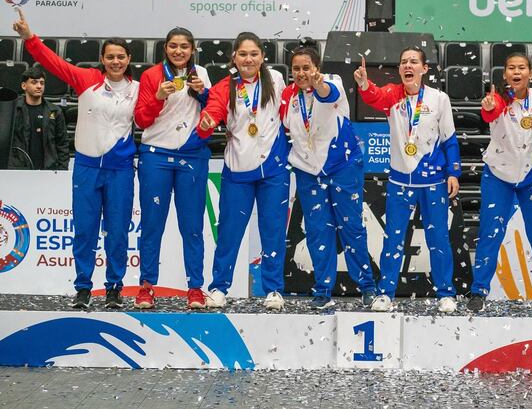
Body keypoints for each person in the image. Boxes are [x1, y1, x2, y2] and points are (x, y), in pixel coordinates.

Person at [12, 11, 136, 310]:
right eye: (110, 56)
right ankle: (83, 288)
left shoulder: (138, 88)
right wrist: (30, 38)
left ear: (129, 59)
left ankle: (115, 288)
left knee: (118, 231)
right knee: (85, 229)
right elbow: (55, 63)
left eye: (121, 56)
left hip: (119, 169)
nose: (116, 61)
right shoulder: (86, 80)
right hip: (87, 167)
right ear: (102, 59)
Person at [354, 48, 461, 313]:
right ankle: (385, 293)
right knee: (393, 239)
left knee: (438, 239)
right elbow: (373, 97)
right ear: (400, 69)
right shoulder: (392, 95)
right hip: (401, 181)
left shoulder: (439, 98)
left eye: (414, 61)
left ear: (425, 69)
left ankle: (446, 293)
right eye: (403, 62)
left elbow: (449, 139)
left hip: (434, 181)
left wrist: (453, 173)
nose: (408, 66)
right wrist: (364, 84)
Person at [467, 53, 532, 313]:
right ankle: (479, 291)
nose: (516, 72)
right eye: (511, 67)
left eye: (522, 68)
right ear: (504, 75)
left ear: (530, 73)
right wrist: (488, 106)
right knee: (490, 233)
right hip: (499, 175)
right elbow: (489, 114)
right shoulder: (499, 97)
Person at [197, 32, 289, 311]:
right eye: (243, 54)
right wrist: (207, 122)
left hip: (273, 169)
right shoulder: (224, 87)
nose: (248, 59)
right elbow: (209, 116)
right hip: (238, 169)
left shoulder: (275, 79)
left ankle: (272, 289)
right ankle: (219, 288)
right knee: (229, 232)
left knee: (272, 230)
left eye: (254, 54)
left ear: (262, 56)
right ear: (233, 57)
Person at [279, 44, 376, 309]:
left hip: (342, 167)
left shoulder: (332, 82)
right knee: (317, 231)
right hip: (308, 171)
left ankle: (366, 286)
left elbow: (326, 94)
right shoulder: (288, 96)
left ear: (317, 68)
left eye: (306, 68)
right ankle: (322, 289)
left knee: (352, 227)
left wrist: (318, 83)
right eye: (296, 69)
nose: (302, 74)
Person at [133, 27, 211, 310]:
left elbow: (213, 111)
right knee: (153, 225)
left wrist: (202, 94)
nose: (179, 51)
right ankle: (146, 287)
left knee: (192, 227)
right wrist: (157, 97)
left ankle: (195, 288)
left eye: (185, 47)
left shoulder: (200, 74)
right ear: (165, 48)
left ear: (192, 50)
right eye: (174, 46)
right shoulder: (151, 75)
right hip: (156, 155)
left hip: (192, 157)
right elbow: (141, 120)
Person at [8, 65, 69, 171]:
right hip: (18, 170)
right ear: (24, 86)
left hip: (48, 169)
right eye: (34, 82)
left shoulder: (55, 111)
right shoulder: (13, 110)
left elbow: (62, 143)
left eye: (42, 83)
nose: (39, 86)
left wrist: (62, 169)